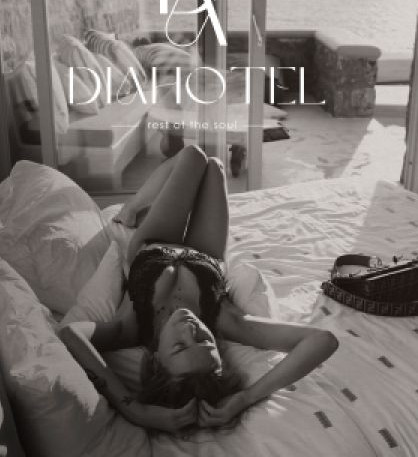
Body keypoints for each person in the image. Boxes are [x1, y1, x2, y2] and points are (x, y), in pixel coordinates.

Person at [59, 145, 339, 434]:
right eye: (204, 342)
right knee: (215, 166)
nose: (189, 328)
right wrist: (246, 397)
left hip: (155, 241)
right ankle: (138, 207)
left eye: (179, 346)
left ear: (156, 360)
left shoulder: (132, 327)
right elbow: (323, 340)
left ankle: (131, 210)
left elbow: (70, 334)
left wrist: (134, 410)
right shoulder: (226, 321)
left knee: (193, 156)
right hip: (206, 252)